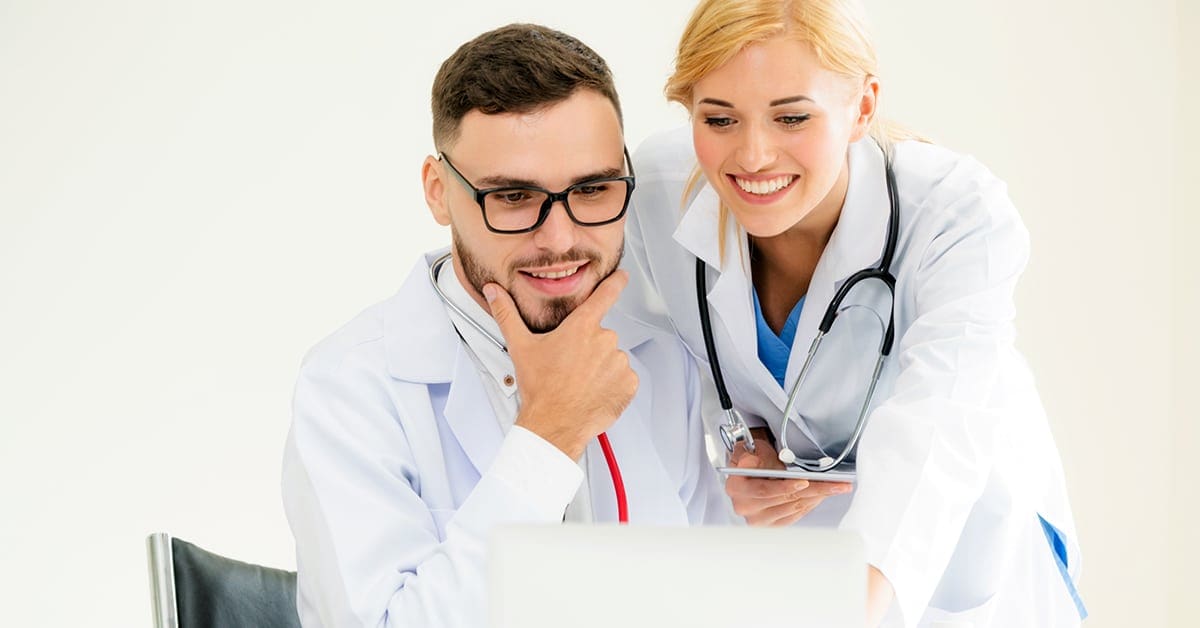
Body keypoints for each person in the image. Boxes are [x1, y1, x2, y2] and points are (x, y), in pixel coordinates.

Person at [623, 0, 1084, 626]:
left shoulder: (953, 213)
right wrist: (741, 444)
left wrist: (854, 607)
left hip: (956, 549)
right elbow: (664, 369)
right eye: (720, 118)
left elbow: (941, 420)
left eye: (791, 117)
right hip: (795, 556)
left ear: (862, 106)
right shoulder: (654, 193)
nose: (753, 156)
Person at [281, 23, 734, 627]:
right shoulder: (350, 389)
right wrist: (549, 435)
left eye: (593, 189)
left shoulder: (657, 357)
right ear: (439, 192)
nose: (562, 239)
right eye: (514, 198)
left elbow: (717, 599)